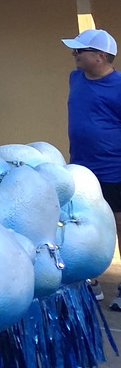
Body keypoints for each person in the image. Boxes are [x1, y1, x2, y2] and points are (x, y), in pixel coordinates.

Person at [62, 28, 121, 313]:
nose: (74, 54)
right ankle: (91, 281)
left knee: (119, 227)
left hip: (115, 171)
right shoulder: (75, 78)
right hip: (82, 170)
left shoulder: (119, 85)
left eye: (80, 50)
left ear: (100, 56)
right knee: (82, 225)